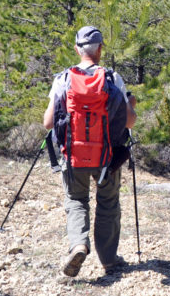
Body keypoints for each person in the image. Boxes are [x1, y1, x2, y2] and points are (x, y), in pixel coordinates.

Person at [43, 25, 137, 278]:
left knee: (76, 201)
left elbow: (48, 123)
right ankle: (109, 260)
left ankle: (79, 245)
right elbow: (129, 122)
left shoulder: (63, 79)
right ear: (100, 49)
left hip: (73, 156)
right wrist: (130, 104)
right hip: (107, 157)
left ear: (77, 48)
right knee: (108, 204)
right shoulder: (111, 78)